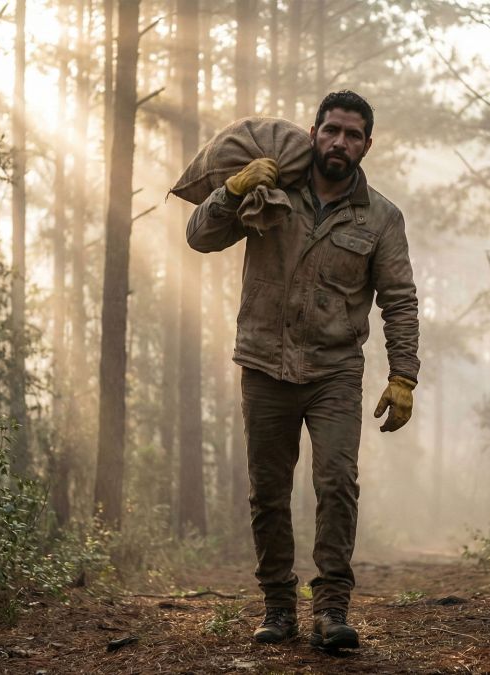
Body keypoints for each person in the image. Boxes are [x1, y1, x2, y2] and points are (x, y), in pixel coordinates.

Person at [186, 90, 420, 649]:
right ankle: (278, 608)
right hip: (265, 364)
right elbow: (199, 237)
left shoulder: (381, 216)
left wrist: (403, 375)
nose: (340, 141)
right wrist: (234, 188)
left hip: (334, 371)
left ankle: (332, 610)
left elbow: (400, 298)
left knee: (337, 483)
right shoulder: (270, 189)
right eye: (332, 130)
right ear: (314, 133)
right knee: (268, 491)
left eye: (353, 134)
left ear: (367, 144)